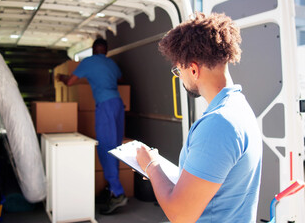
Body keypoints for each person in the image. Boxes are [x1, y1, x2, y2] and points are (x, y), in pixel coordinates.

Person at [136, 12, 262, 222]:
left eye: (178, 70)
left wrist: (152, 165)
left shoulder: (218, 123)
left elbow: (180, 215)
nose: (179, 76)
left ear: (193, 69)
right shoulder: (238, 107)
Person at [57, 38, 127, 215]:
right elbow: (120, 77)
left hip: (105, 106)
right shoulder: (111, 63)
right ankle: (113, 190)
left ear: (93, 50)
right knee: (116, 148)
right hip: (118, 104)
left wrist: (61, 77)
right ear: (106, 50)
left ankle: (117, 193)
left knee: (106, 148)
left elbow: (70, 82)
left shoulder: (88, 62)